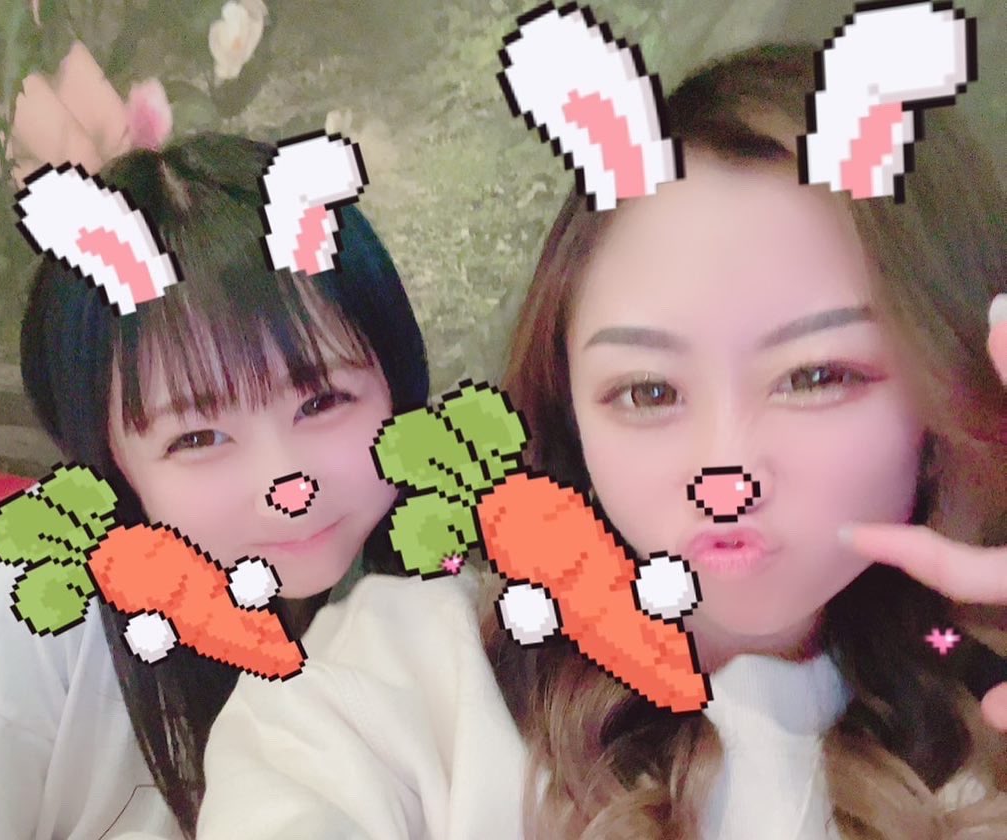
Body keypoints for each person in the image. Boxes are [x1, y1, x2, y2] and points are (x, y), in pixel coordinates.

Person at [160, 46, 1005, 840]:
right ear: (570, 411)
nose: (726, 474)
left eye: (816, 376)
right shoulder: (404, 683)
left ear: (949, 385)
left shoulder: (977, 724)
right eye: (648, 392)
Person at [0, 132, 430, 839]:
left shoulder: (441, 578)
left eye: (323, 401)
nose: (286, 484)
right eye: (197, 438)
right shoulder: (22, 613)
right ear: (110, 461)